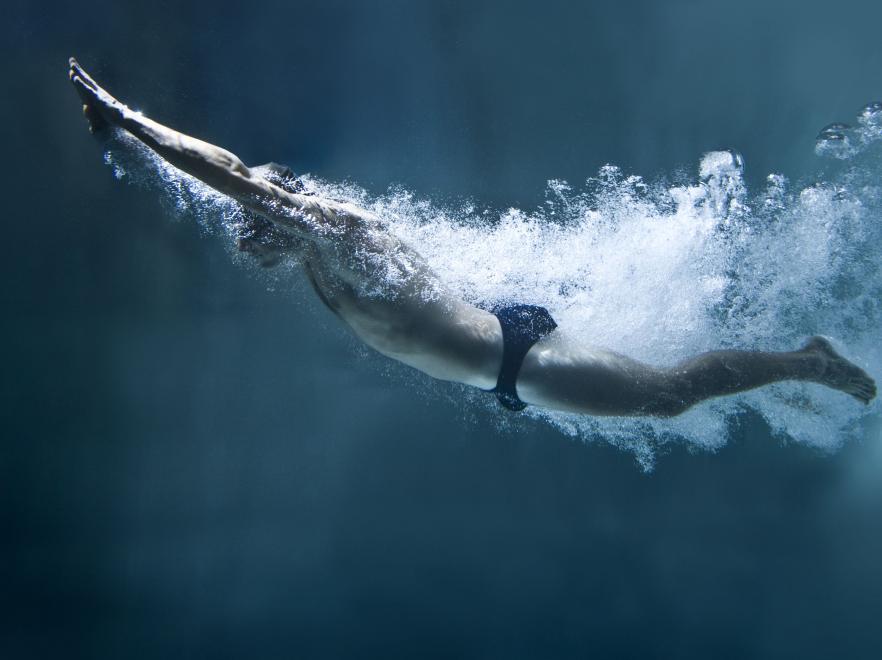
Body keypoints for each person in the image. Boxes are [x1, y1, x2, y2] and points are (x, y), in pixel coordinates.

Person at [68, 58, 876, 417]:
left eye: (254, 224)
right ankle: (791, 367)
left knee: (666, 399)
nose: (244, 241)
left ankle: (807, 360)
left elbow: (229, 179)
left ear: (283, 207)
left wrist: (131, 121)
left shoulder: (338, 232)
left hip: (522, 363)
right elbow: (226, 179)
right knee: (660, 398)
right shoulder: (311, 252)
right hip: (499, 369)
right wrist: (137, 149)